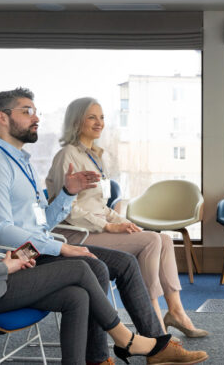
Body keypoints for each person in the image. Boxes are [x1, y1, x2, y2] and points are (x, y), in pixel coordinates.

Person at [0, 88, 208, 365]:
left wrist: (68, 193)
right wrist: (61, 247)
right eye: (26, 111)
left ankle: (156, 344)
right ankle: (106, 353)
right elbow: (0, 230)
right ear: (3, 117)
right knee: (93, 266)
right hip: (21, 257)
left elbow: (41, 221)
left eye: (36, 111)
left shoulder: (22, 162)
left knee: (126, 263)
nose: (36, 118)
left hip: (40, 246)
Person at [45, 97, 207, 338]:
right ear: (77, 121)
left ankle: (176, 311)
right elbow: (67, 209)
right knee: (152, 241)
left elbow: (100, 204)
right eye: (92, 117)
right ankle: (152, 320)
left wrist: (121, 222)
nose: (99, 123)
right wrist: (108, 226)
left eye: (101, 117)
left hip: (97, 228)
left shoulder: (93, 156)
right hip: (75, 234)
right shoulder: (67, 156)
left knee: (162, 240)